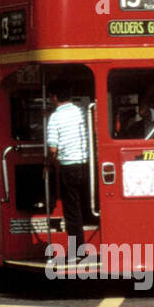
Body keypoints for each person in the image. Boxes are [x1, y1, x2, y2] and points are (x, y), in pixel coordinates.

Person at [46, 81, 92, 257]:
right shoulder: (80, 111)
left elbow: (52, 149)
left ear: (55, 97)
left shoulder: (55, 118)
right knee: (85, 204)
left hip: (68, 166)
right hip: (85, 164)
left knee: (71, 210)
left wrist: (49, 163)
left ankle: (78, 250)